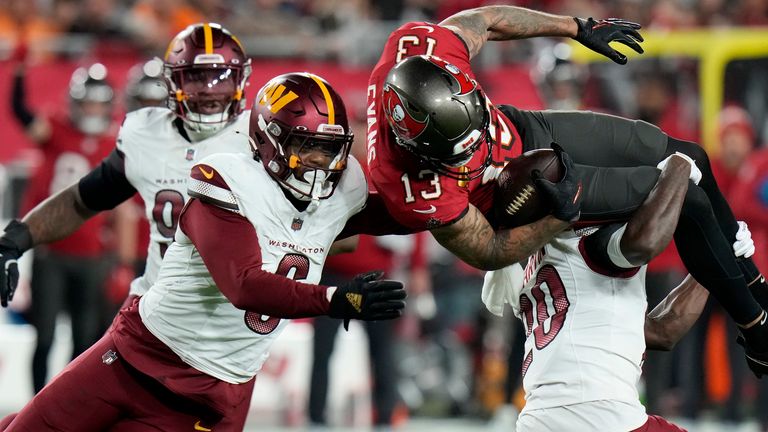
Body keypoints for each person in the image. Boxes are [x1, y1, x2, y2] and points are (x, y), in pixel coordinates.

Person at [366, 5, 768, 374]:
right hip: (518, 193)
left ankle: (753, 284)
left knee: (692, 157)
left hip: (521, 128)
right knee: (683, 195)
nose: (477, 144)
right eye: (461, 148)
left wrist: (576, 28)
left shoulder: (425, 46)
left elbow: (487, 20)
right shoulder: (411, 190)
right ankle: (757, 330)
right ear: (418, 150)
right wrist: (557, 216)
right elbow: (489, 249)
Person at [2, 72, 407, 431]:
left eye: (330, 150)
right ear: (268, 141)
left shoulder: (341, 187)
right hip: (144, 346)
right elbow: (243, 284)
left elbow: (413, 210)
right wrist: (337, 298)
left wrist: (457, 174)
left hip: (220, 379)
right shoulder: (227, 174)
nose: (323, 164)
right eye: (309, 147)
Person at [0, 22, 253, 313]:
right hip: (154, 311)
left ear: (241, 80)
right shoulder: (145, 134)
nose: (210, 91)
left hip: (228, 317)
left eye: (221, 78)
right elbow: (81, 200)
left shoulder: (259, 139)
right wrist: (16, 239)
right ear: (173, 83)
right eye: (196, 78)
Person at [483, 153, 746, 431]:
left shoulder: (535, 261)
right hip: (600, 414)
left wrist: (721, 256)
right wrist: (677, 167)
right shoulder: (587, 241)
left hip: (538, 420)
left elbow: (662, 331)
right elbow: (643, 244)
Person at [10, 61, 116, 393]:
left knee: (86, 340)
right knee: (44, 335)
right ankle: (36, 405)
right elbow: (21, 113)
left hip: (93, 256)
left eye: (99, 103)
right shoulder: (56, 129)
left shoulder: (117, 143)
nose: (93, 110)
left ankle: (69, 406)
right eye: (87, 102)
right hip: (52, 252)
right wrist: (18, 74)